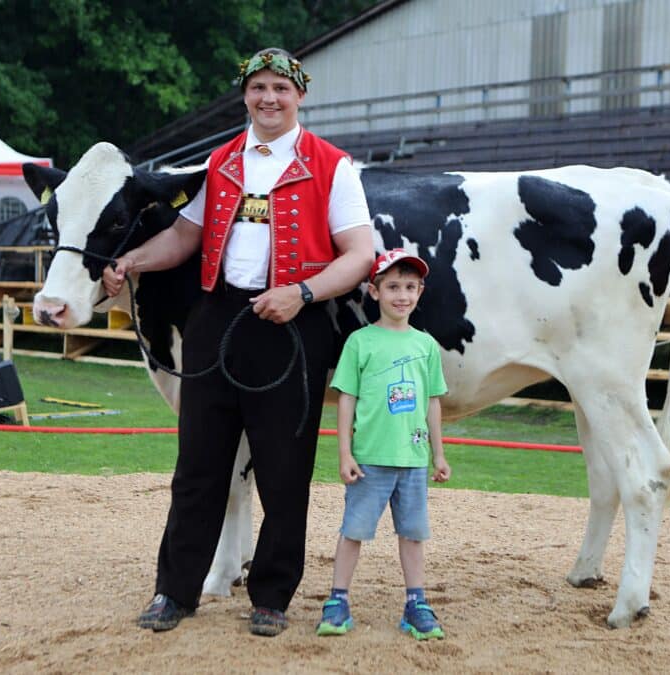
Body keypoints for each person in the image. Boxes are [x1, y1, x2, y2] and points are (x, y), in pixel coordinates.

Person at [102, 47, 374, 636]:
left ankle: (271, 597)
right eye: (258, 88)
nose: (268, 98)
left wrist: (301, 293)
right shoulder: (221, 160)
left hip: (293, 325)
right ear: (245, 95)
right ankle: (175, 591)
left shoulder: (333, 166)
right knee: (197, 466)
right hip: (218, 320)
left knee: (284, 471)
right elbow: (185, 236)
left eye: (280, 88)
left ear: (299, 95)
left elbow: (360, 254)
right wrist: (131, 261)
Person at [316, 249, 451, 641]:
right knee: (354, 531)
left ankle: (416, 603)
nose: (401, 295)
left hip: (413, 459)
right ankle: (338, 600)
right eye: (392, 287)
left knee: (413, 533)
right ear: (374, 292)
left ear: (420, 292)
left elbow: (432, 401)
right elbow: (347, 398)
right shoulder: (360, 342)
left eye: (410, 287)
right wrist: (345, 453)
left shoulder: (426, 345)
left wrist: (438, 454)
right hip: (369, 459)